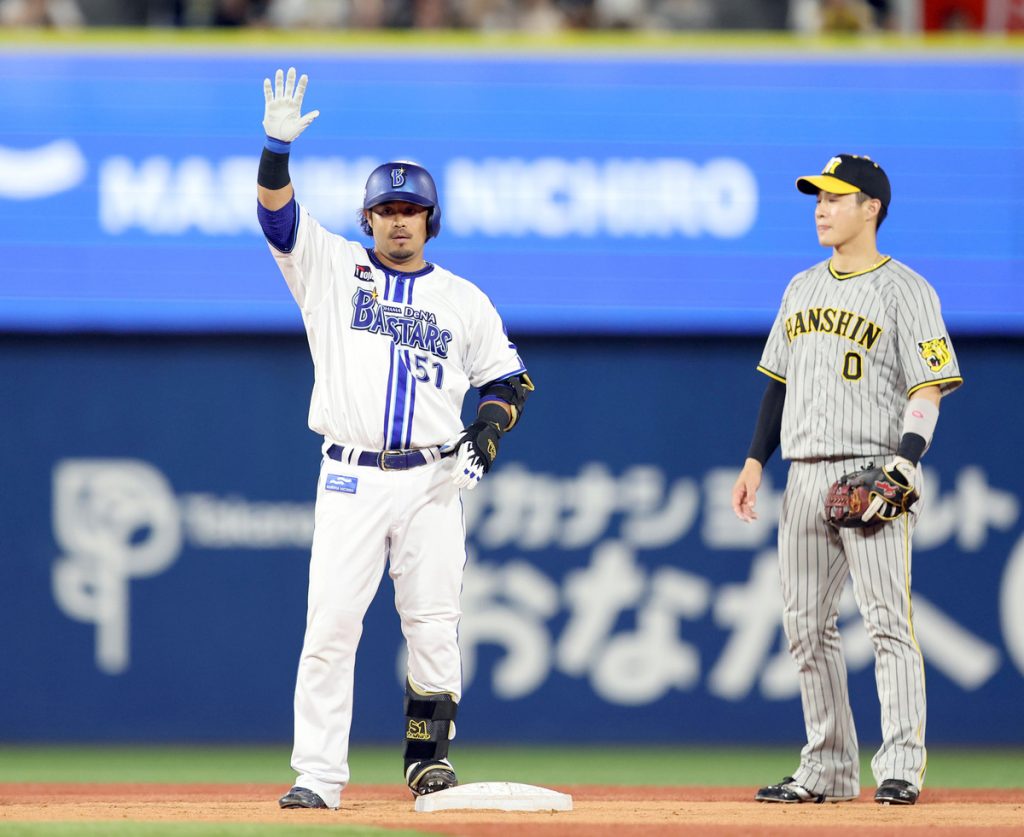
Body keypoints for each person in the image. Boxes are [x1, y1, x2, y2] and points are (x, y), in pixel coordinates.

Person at [256, 67, 534, 810]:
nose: (400, 220)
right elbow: (278, 221)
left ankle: (427, 759)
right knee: (332, 624)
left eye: (413, 209)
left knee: (435, 624)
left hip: (433, 478)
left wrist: (487, 428)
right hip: (350, 472)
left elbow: (509, 381)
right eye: (387, 208)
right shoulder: (331, 268)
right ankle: (317, 773)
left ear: (431, 221)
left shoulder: (462, 299)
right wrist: (275, 151)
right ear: (367, 217)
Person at [731, 154, 962, 806]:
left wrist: (906, 458)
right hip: (803, 471)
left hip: (871, 466)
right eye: (817, 199)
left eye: (836, 197)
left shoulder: (906, 289)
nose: (822, 208)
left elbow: (929, 384)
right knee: (805, 627)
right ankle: (828, 768)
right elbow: (777, 382)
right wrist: (755, 460)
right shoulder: (800, 287)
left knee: (887, 620)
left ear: (873, 207)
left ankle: (901, 765)